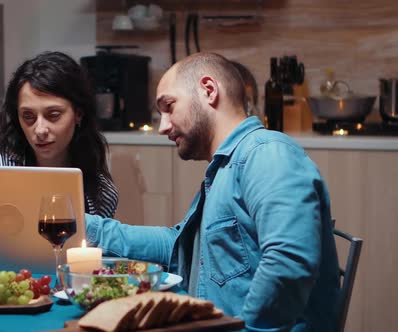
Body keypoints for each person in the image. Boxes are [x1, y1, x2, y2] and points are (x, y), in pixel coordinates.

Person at [85, 52, 340, 331]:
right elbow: (179, 246)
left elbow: (287, 261)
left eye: (168, 107)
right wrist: (91, 229)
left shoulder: (266, 153)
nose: (163, 127)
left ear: (208, 90)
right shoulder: (224, 169)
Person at [0, 51, 118, 218]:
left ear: (78, 114)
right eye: (28, 116)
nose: (39, 130)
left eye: (53, 115)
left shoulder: (102, 194)